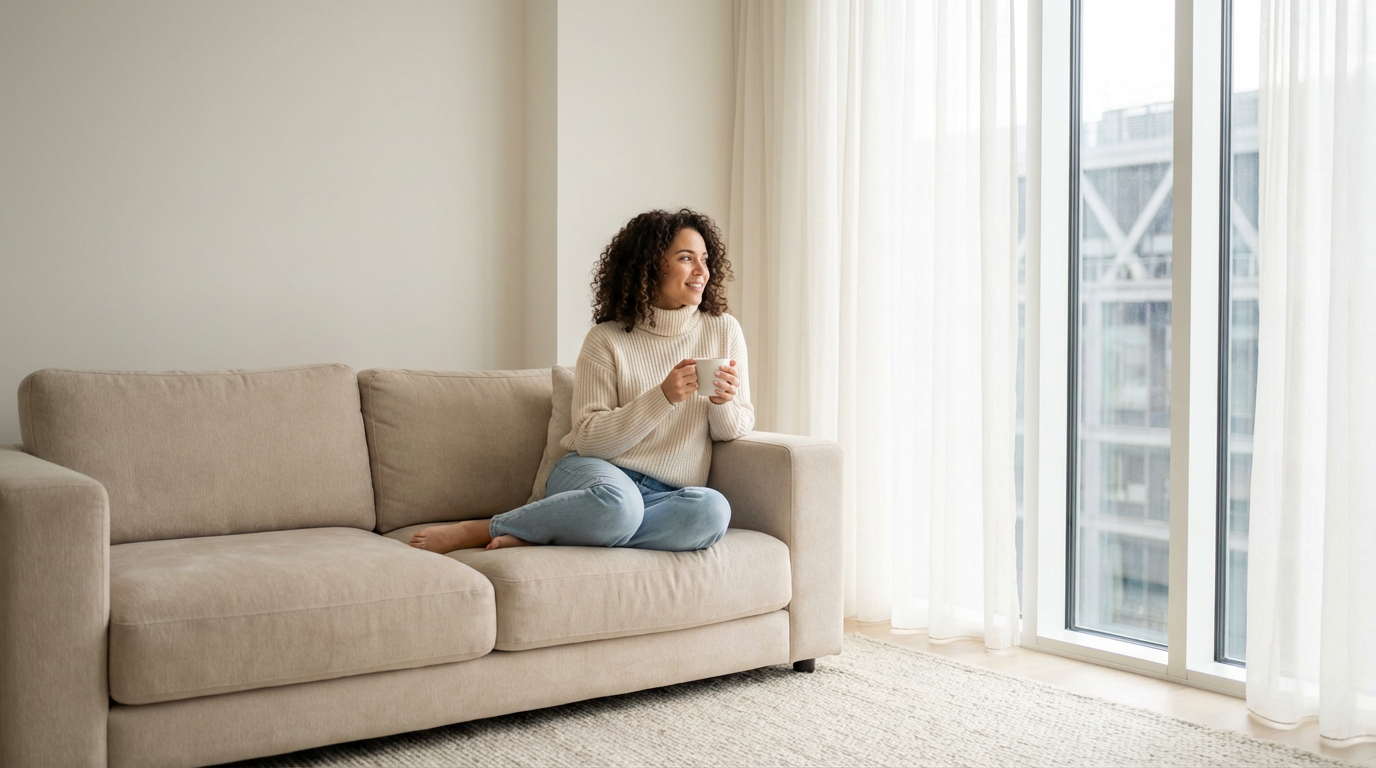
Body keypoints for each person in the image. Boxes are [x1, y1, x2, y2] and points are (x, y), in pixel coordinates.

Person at [409, 208, 754, 554]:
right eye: (686, 258)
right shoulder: (606, 339)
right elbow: (589, 439)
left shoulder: (723, 330)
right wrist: (662, 397)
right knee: (619, 506)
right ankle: (488, 527)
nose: (701, 271)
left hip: (665, 494)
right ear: (651, 264)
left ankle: (553, 529)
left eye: (705, 259)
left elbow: (734, 427)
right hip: (596, 478)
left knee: (712, 512)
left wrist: (722, 403)